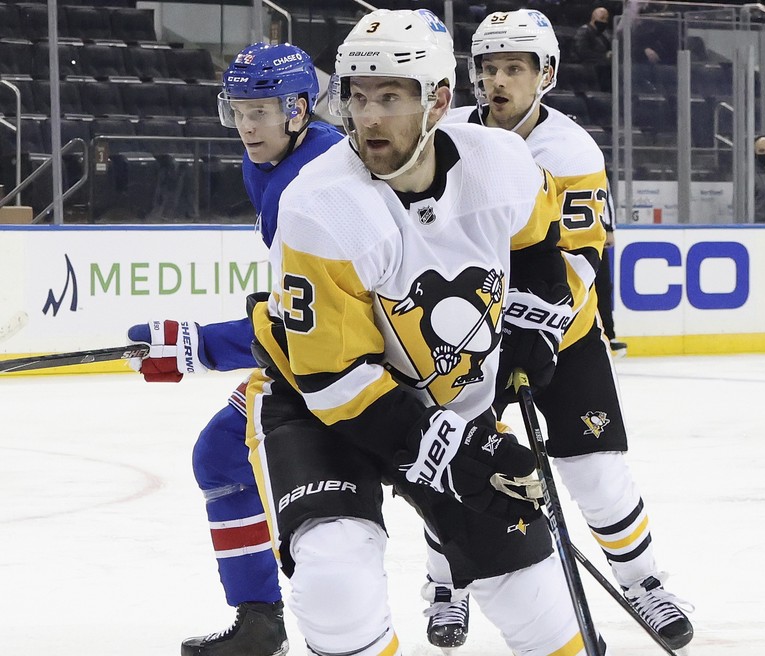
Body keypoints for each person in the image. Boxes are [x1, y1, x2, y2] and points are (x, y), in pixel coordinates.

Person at [244, 8, 609, 656]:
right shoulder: (320, 205)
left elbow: (536, 250)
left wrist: (532, 331)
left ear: (438, 100)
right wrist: (449, 454)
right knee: (336, 576)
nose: (368, 116)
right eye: (357, 97)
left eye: (390, 96)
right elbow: (334, 379)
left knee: (539, 606)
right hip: (324, 410)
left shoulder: (502, 163)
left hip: (445, 399)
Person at [429, 9, 694, 652]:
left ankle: (643, 579)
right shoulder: (450, 133)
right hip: (466, 334)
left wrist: (539, 330)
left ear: (544, 74)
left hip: (562, 332)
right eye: (488, 68)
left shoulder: (571, 150)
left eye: (513, 68)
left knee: (596, 467)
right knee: (455, 460)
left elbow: (579, 260)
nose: (497, 80)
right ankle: (447, 582)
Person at [126, 43, 344, 656]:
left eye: (262, 110)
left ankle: (450, 581)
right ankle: (260, 621)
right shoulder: (269, 163)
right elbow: (291, 304)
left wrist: (195, 346)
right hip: (315, 359)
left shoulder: (322, 181)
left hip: (359, 368)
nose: (247, 126)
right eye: (237, 110)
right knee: (223, 456)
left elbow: (316, 321)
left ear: (299, 110)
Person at [594, 185, 626, 357]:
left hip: (596, 236)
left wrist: (609, 229)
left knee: (603, 287)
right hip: (568, 236)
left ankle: (608, 335)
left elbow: (604, 194)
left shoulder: (594, 160)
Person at [572, 5, 612, 92]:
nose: (604, 21)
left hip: (603, 68)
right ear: (593, 18)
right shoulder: (584, 31)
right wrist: (604, 57)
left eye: (606, 19)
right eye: (602, 18)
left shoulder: (603, 35)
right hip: (590, 68)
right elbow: (582, 52)